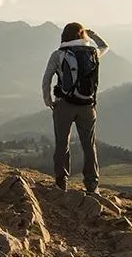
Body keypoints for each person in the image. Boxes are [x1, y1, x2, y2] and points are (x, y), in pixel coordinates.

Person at [42, 21, 108, 192]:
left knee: (62, 143)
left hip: (64, 105)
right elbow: (105, 46)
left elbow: (47, 79)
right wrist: (92, 35)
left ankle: (61, 182)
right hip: (87, 107)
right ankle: (92, 184)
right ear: (81, 35)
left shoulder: (58, 54)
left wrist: (48, 101)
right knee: (89, 145)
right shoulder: (92, 52)